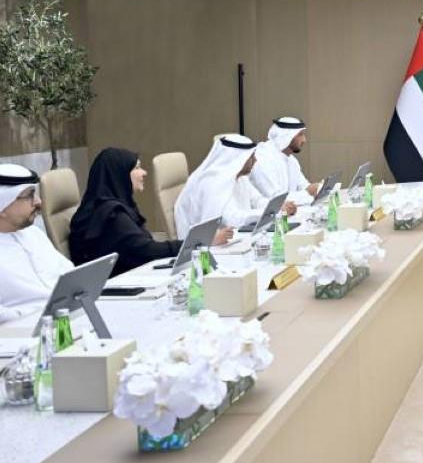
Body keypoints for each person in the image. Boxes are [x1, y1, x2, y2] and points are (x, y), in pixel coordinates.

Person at [69, 148, 232, 275]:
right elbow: (148, 251)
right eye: (137, 168)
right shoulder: (111, 215)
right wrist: (202, 242)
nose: (144, 172)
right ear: (119, 174)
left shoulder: (116, 207)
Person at [174, 134, 295, 239]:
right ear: (238, 159)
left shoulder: (239, 177)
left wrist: (277, 206)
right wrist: (271, 212)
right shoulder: (213, 182)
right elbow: (233, 219)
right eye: (251, 157)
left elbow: (257, 200)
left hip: (235, 236)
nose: (255, 160)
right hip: (208, 246)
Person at [0, 164, 74, 323]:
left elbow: (68, 273)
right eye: (29, 195)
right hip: (23, 329)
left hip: (65, 316)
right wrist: (35, 317)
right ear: (3, 204)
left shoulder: (34, 234)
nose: (39, 202)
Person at [252, 117, 319, 204]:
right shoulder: (263, 158)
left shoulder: (291, 160)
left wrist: (317, 188)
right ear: (286, 136)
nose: (304, 140)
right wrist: (308, 193)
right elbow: (276, 199)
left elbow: (303, 186)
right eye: (300, 135)